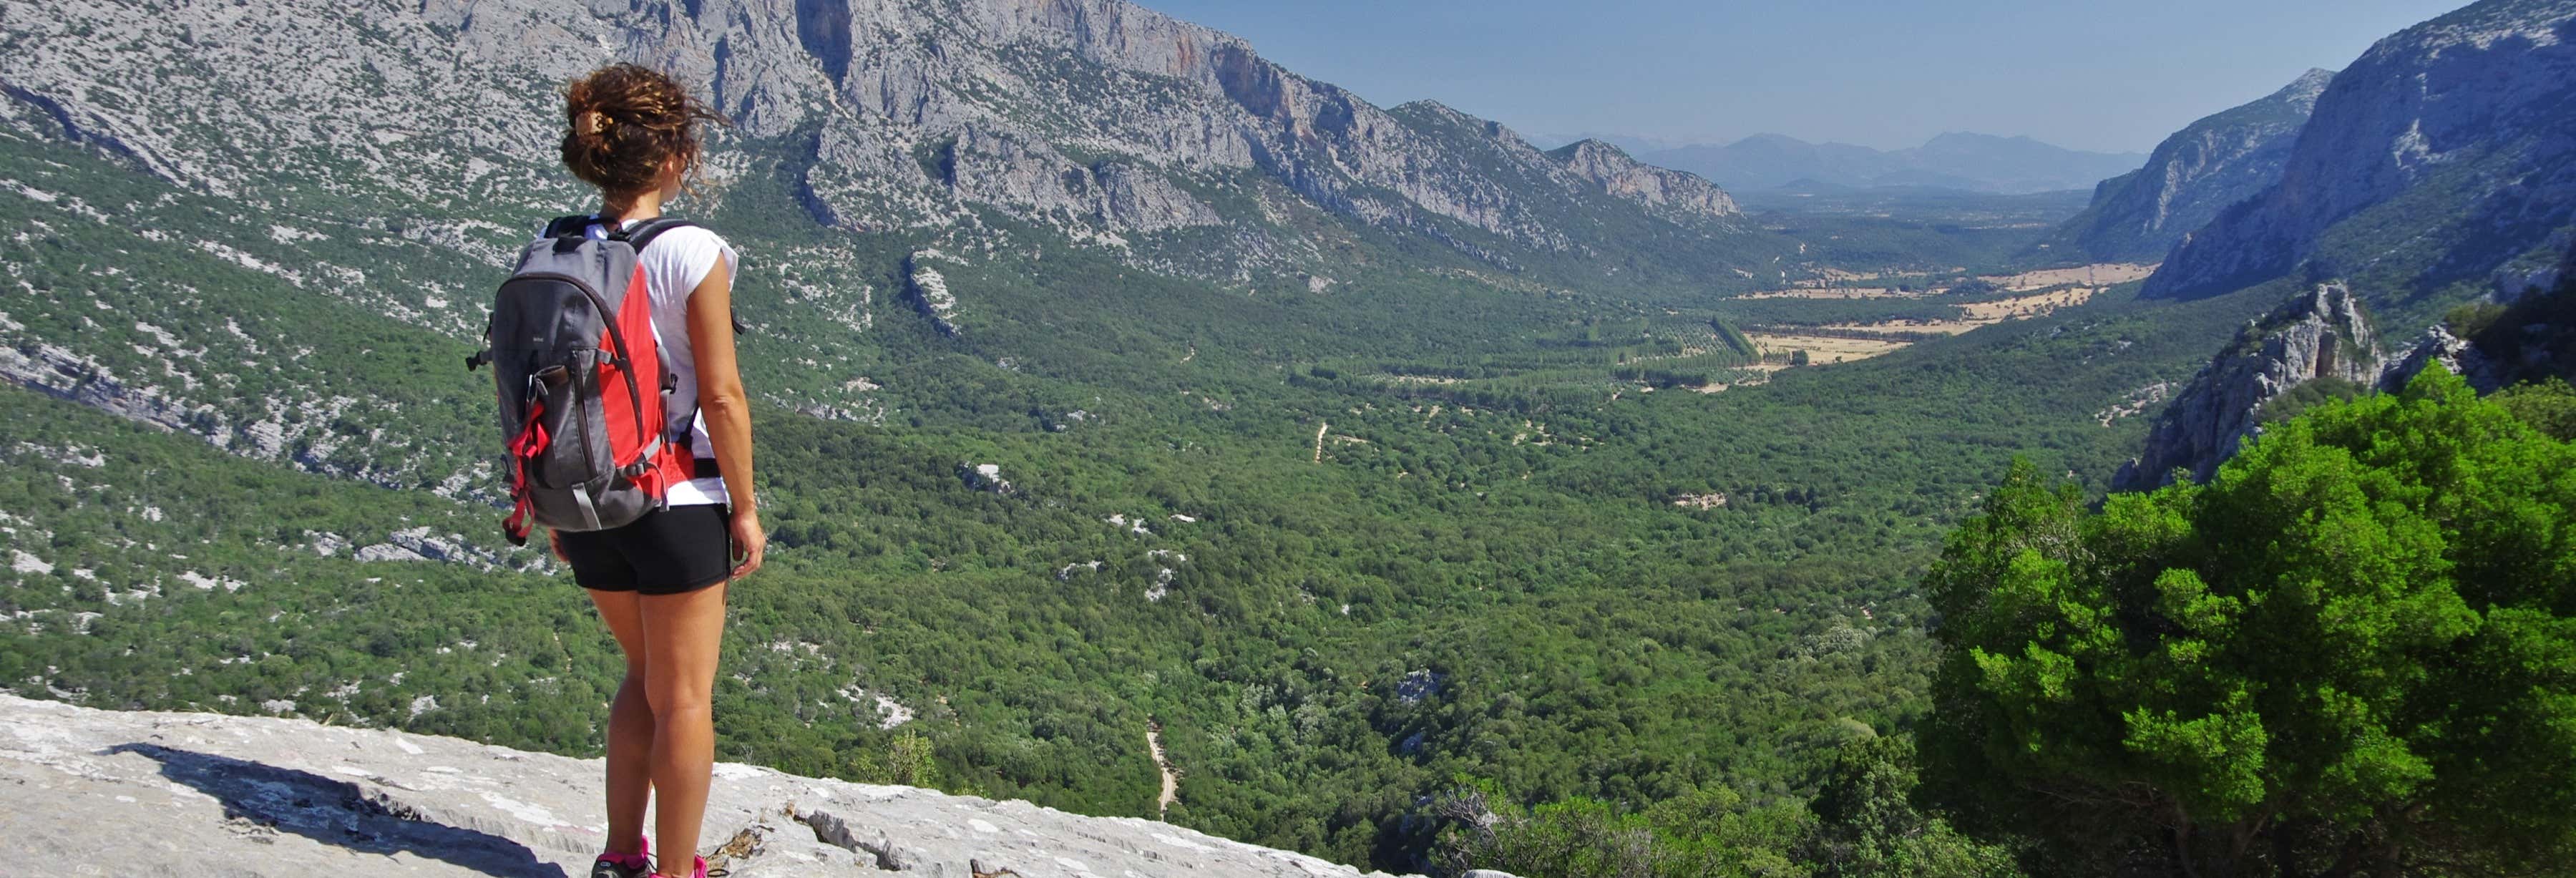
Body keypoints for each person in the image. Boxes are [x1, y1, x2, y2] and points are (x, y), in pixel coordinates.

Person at [547, 63, 765, 878]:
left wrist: (557, 501)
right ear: (674, 156)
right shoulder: (691, 250)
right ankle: (674, 872)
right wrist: (744, 507)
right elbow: (724, 395)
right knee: (684, 699)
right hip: (675, 503)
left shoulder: (562, 243)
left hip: (588, 500)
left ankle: (620, 856)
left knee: (641, 676)